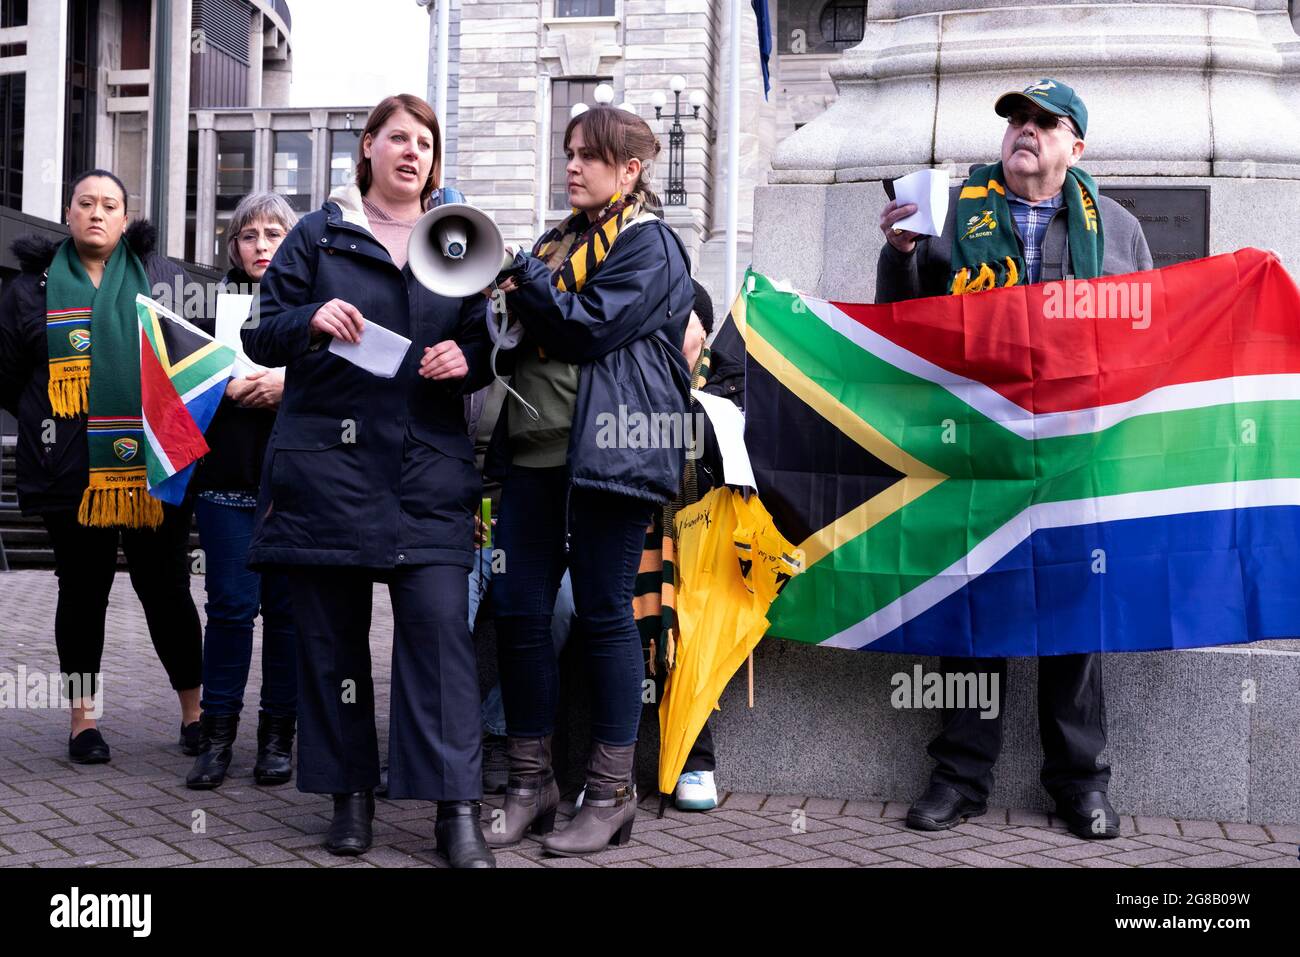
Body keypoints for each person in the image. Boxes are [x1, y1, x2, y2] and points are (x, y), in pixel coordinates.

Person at [876, 78, 1152, 840]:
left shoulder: (1118, 230)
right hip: (980, 445)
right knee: (977, 605)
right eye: (1016, 120)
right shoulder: (948, 218)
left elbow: (1144, 336)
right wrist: (899, 258)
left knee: (1074, 611)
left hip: (1075, 450)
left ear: (1075, 147)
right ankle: (959, 776)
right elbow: (904, 327)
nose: (1024, 130)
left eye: (1044, 122)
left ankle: (1080, 782)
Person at [241, 94, 496, 868]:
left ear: (434, 161)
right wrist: (313, 317)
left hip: (428, 474)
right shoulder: (319, 235)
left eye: (424, 141)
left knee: (441, 638)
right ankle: (349, 795)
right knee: (331, 643)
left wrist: (468, 362)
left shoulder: (457, 243)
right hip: (331, 473)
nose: (411, 151)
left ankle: (458, 810)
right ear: (369, 148)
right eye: (398, 138)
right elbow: (260, 330)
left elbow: (487, 344)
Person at [481, 104, 695, 856]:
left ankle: (609, 794)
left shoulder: (651, 245)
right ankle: (529, 781)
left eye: (590, 156)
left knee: (605, 611)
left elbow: (587, 325)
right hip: (536, 453)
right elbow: (525, 332)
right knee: (519, 611)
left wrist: (530, 281)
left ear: (630, 169)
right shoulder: (556, 241)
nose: (571, 166)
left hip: (609, 455)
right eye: (568, 153)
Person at [0, 169, 203, 764]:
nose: (96, 213)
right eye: (85, 203)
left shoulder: (164, 279)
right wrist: (58, 426)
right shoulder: (29, 288)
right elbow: (10, 379)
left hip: (153, 466)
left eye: (108, 204)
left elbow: (193, 362)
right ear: (68, 214)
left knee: (165, 588)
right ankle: (83, 722)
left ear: (124, 217)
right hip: (68, 471)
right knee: (81, 592)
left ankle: (194, 713)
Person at [185, 191, 299, 790]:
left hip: (294, 490)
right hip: (227, 484)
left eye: (274, 234)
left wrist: (289, 383)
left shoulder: (312, 305)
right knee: (230, 610)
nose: (261, 246)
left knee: (285, 616)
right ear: (234, 246)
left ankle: (278, 738)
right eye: (250, 235)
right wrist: (215, 389)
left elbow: (343, 382)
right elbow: (176, 389)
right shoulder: (208, 309)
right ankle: (216, 736)